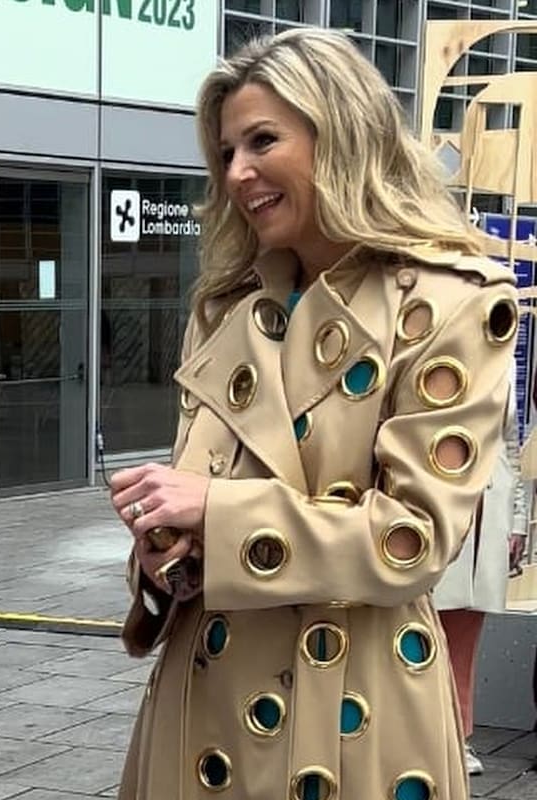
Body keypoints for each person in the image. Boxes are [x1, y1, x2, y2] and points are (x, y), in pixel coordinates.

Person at [108, 29, 518, 800]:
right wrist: (168, 550)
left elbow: (413, 540)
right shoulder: (225, 307)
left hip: (356, 713)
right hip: (205, 710)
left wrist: (219, 517)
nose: (237, 173)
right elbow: (201, 490)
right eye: (226, 152)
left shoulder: (453, 300)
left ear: (342, 135)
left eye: (262, 140)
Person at [433, 368, 530, 775]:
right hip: (441, 516)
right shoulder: (435, 364)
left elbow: (510, 450)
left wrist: (518, 520)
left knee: (466, 638)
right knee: (429, 631)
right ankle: (430, 735)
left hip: (489, 518)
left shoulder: (501, 372)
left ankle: (461, 737)